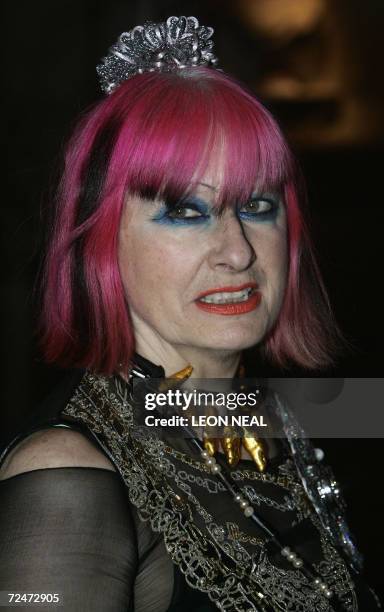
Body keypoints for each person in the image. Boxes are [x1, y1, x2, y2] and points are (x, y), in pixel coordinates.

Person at [0, 16, 381, 612]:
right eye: (185, 211)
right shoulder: (64, 477)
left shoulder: (273, 419)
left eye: (258, 205)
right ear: (101, 241)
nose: (239, 251)